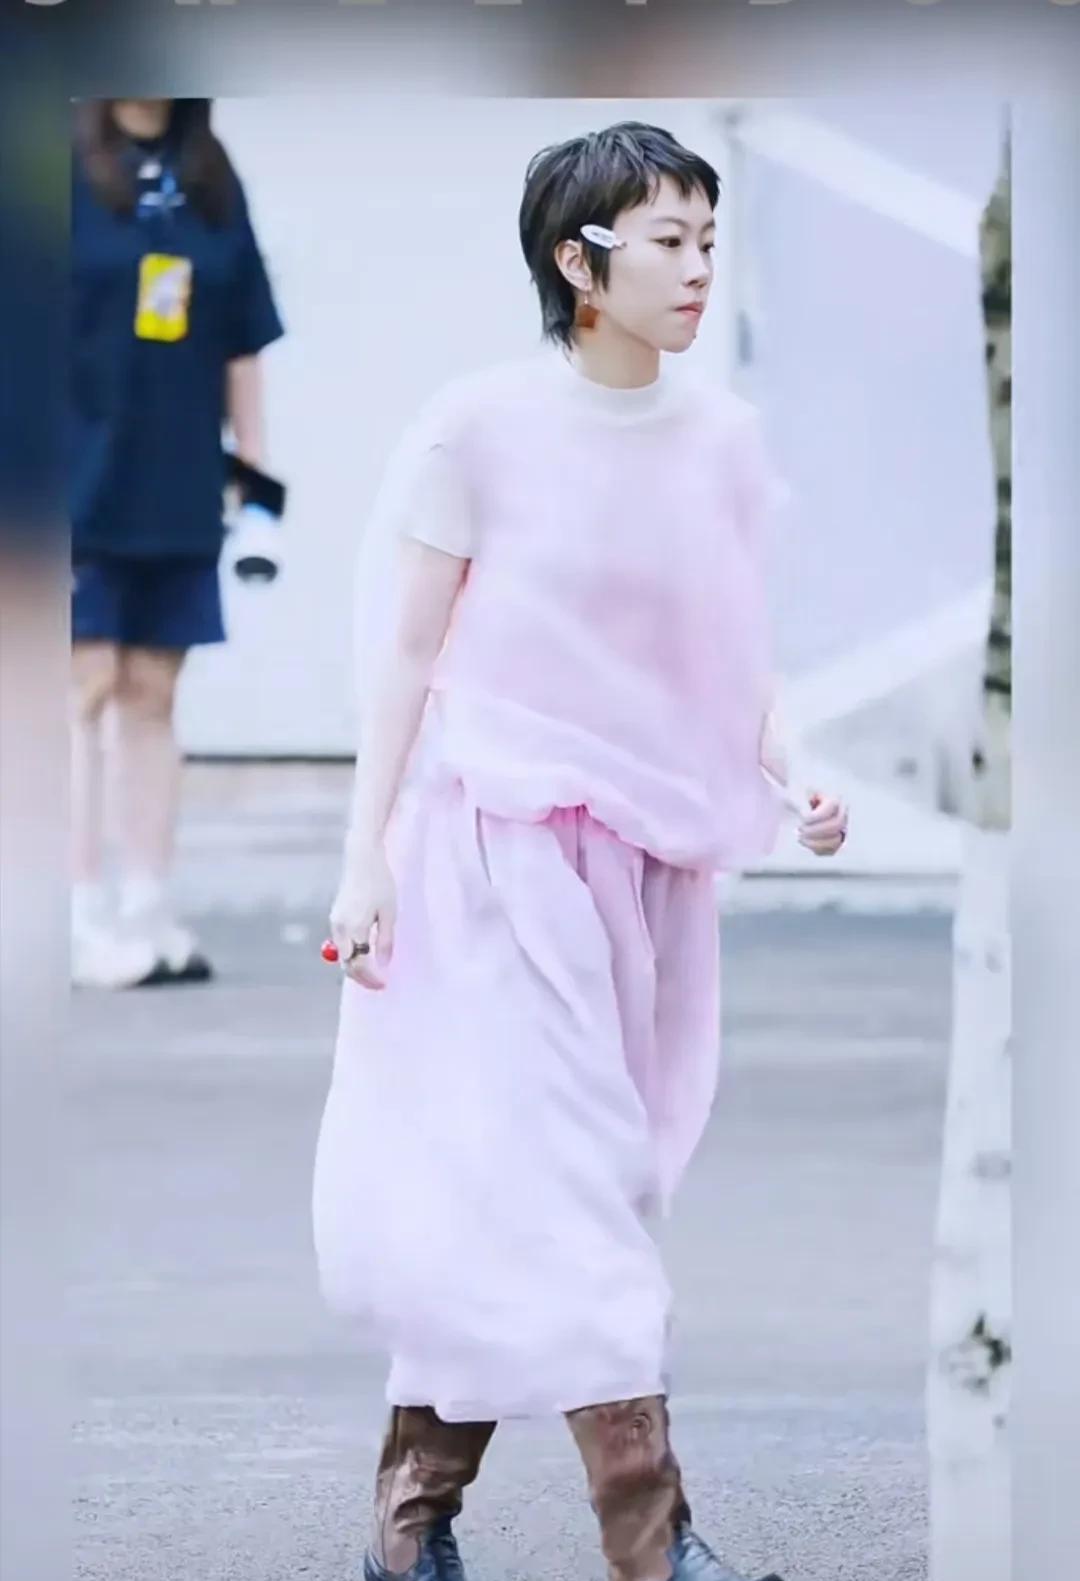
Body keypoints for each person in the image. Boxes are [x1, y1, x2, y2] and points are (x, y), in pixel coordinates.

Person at [312, 122, 848, 1581]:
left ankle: (408, 1522)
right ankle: (653, 1544)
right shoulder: (477, 431)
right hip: (495, 858)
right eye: (668, 241)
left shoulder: (720, 444)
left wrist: (796, 770)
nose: (698, 267)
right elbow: (404, 657)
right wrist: (365, 860)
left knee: (528, 1200)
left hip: (652, 870)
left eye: (708, 239)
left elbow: (733, 654)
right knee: (576, 1187)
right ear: (580, 262)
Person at [70, 98, 284, 988]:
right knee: (79, 686)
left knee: (153, 692)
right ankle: (74, 915)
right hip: (70, 472)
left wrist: (257, 480)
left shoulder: (211, 177)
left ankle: (146, 904)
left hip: (178, 477)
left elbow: (244, 341)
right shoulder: (59, 167)